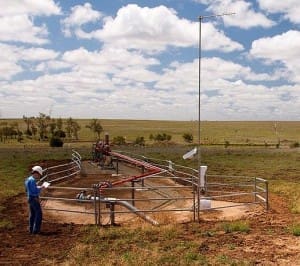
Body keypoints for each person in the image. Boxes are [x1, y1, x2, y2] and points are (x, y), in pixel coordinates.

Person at [24, 165, 45, 234]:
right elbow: (34, 191)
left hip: (29, 197)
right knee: (39, 214)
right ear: (36, 173)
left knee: (32, 214)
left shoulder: (28, 179)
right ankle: (36, 230)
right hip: (33, 198)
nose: (39, 177)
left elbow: (29, 189)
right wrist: (41, 188)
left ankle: (31, 229)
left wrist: (38, 187)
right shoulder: (32, 180)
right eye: (39, 175)